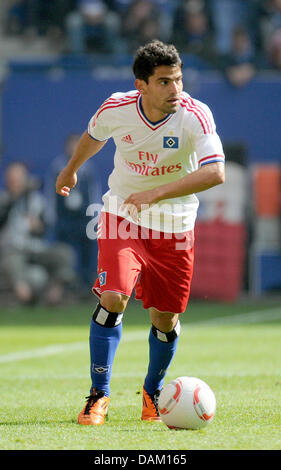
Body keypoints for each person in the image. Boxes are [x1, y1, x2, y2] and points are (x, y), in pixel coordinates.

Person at [56, 40, 225, 425]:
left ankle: (152, 391)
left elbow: (216, 172)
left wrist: (157, 193)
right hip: (122, 215)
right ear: (141, 86)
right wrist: (71, 169)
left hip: (176, 227)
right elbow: (94, 135)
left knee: (164, 319)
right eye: (164, 82)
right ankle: (98, 395)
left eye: (178, 80)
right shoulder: (117, 106)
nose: (175, 90)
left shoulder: (195, 115)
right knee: (114, 297)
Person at [0, 162, 76, 305]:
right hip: (12, 250)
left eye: (19, 179)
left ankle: (55, 292)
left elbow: (45, 229)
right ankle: (22, 294)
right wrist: (14, 199)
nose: (16, 182)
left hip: (36, 249)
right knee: (14, 262)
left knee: (64, 253)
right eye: (12, 179)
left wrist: (37, 226)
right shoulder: (3, 200)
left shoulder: (36, 201)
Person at [46, 133, 102, 292]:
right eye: (71, 145)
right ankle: (67, 286)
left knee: (87, 251)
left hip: (83, 218)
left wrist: (95, 217)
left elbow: (93, 193)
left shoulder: (88, 168)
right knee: (65, 252)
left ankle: (86, 283)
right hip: (65, 218)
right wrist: (52, 216)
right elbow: (51, 193)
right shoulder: (57, 167)